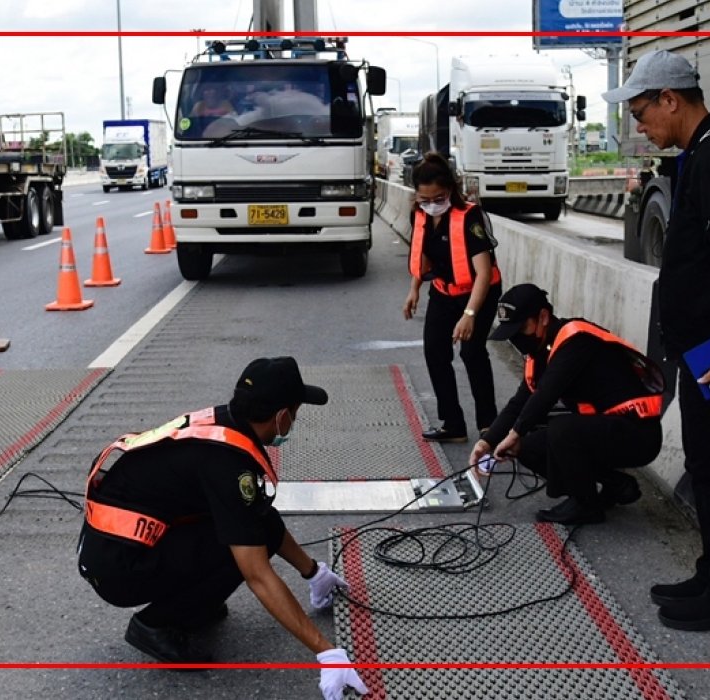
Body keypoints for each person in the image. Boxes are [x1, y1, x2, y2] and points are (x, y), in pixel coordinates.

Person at [602, 50, 710, 631]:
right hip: (703, 353)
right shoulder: (702, 156)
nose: (640, 127)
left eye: (641, 114)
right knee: (707, 467)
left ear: (671, 100)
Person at [77, 356, 368, 700]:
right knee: (240, 553)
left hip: (118, 545)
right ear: (282, 417)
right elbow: (258, 574)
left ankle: (194, 603)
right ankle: (155, 624)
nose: (296, 420)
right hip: (117, 567)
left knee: (252, 522)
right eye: (297, 411)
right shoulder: (227, 465)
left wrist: (312, 572)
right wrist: (326, 652)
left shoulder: (225, 423)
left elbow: (260, 515)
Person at [469, 284, 665, 525]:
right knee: (526, 447)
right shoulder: (541, 351)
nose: (517, 338)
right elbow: (520, 402)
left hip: (637, 434)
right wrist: (487, 441)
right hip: (603, 429)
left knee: (562, 430)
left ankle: (585, 505)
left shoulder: (576, 340)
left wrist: (515, 432)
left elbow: (546, 394)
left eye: (521, 328)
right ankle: (616, 485)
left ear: (543, 317)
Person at [403, 152, 502, 442]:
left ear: (450, 190)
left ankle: (489, 424)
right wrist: (414, 290)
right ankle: (453, 425)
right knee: (435, 352)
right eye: (424, 199)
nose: (432, 205)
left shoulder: (470, 217)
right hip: (444, 292)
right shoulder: (419, 214)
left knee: (472, 353)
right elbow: (423, 257)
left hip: (478, 293)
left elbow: (483, 273)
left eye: (438, 198)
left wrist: (469, 315)